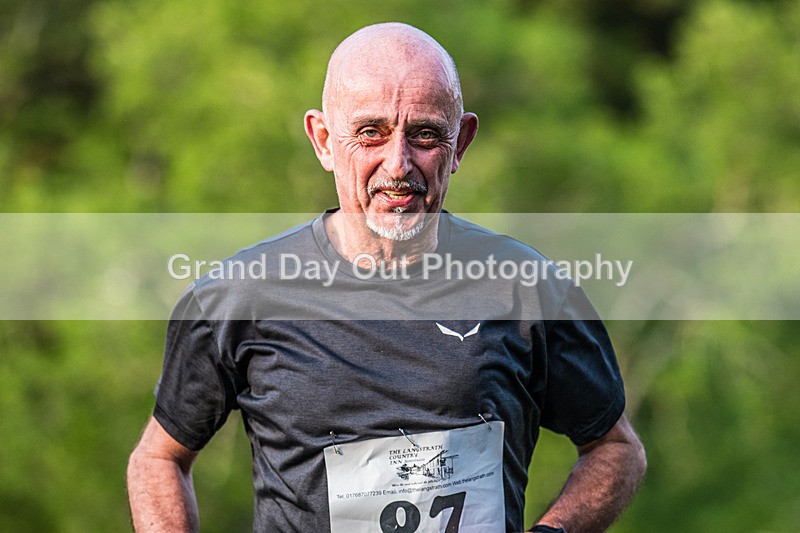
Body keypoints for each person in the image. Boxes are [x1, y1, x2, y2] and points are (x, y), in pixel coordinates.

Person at [127, 22, 646, 533]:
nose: (397, 164)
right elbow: (158, 458)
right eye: (370, 132)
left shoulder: (528, 288)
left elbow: (616, 449)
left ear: (461, 142)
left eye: (424, 135)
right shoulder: (240, 296)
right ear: (323, 139)